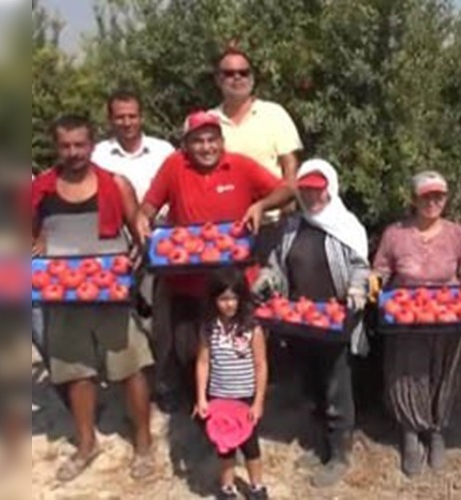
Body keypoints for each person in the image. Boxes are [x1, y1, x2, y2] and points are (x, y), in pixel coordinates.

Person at [137, 111, 294, 410]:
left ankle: (236, 402)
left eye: (212, 140)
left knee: (236, 345)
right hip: (185, 281)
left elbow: (287, 190)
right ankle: (199, 402)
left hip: (231, 284)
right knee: (187, 348)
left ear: (222, 141)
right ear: (186, 144)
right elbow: (150, 204)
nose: (206, 147)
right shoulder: (174, 166)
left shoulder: (240, 165)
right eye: (198, 141)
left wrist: (261, 204)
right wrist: (141, 216)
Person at [29, 115, 155, 482]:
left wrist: (138, 253)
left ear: (92, 143)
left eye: (80, 145)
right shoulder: (41, 189)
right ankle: (86, 444)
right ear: (57, 147)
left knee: (130, 367)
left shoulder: (116, 184)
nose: (73, 153)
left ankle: (143, 442)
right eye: (65, 146)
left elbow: (139, 232)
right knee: (75, 371)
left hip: (110, 294)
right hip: (63, 296)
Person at [253, 159, 370, 487]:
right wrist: (267, 278)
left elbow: (361, 266)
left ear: (329, 189)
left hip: (335, 322)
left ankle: (339, 454)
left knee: (336, 387)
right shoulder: (291, 225)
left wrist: (358, 289)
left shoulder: (347, 226)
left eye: (318, 190)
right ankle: (321, 442)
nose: (312, 196)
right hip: (299, 320)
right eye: (305, 190)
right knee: (311, 385)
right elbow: (277, 265)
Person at [371, 170, 461, 477]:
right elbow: (381, 268)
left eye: (439, 196)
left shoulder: (456, 234)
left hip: (448, 315)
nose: (432, 201)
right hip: (405, 316)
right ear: (413, 198)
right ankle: (409, 431)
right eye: (426, 196)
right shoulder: (395, 233)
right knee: (407, 373)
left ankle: (436, 430)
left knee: (442, 372)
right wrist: (374, 281)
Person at [90, 90, 176, 401]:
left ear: (142, 116)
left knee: (160, 316)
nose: (127, 122)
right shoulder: (98, 154)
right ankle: (134, 381)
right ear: (110, 119)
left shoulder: (163, 150)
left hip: (162, 242)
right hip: (117, 246)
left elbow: (175, 191)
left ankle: (164, 381)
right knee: (127, 319)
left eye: (132, 115)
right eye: (120, 116)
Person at [209, 41, 304, 262]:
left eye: (244, 72)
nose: (237, 78)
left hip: (271, 224)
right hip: (223, 231)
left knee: (271, 291)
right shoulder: (207, 121)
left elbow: (290, 165)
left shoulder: (274, 114)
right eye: (229, 73)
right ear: (217, 79)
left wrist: (287, 200)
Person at [194, 269, 270, 500]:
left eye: (233, 298)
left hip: (245, 399)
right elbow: (203, 363)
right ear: (214, 300)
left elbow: (261, 365)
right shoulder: (209, 329)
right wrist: (201, 398)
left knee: (250, 446)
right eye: (223, 299)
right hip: (219, 398)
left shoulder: (252, 329)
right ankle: (227, 488)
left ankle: (256, 486)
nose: (229, 304)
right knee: (224, 446)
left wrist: (258, 402)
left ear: (242, 298)